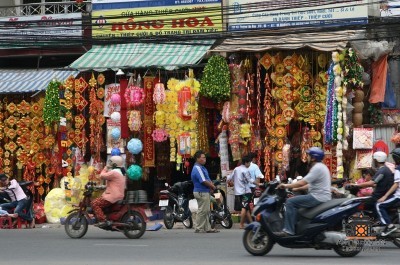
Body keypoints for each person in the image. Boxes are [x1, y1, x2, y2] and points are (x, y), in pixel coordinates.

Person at [275, 147, 332, 237]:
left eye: (309, 156)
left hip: (317, 197)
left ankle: (288, 231)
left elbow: (303, 182)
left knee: (290, 202)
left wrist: (286, 185)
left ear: (313, 158)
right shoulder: (322, 167)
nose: (307, 157)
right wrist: (297, 189)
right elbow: (311, 184)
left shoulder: (317, 168)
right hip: (321, 196)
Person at [92, 156, 126, 227]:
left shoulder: (114, 173)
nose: (109, 164)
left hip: (112, 196)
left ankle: (103, 221)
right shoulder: (121, 172)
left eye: (111, 163)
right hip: (118, 195)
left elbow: (101, 176)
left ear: (114, 164)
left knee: (95, 203)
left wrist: (106, 168)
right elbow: (114, 184)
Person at [191, 150, 218, 233]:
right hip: (201, 191)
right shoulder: (197, 168)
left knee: (206, 210)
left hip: (203, 191)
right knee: (203, 210)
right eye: (203, 157)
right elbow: (203, 180)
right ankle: (198, 227)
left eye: (205, 157)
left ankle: (207, 228)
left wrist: (210, 187)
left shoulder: (202, 168)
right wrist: (212, 186)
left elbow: (207, 179)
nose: (205, 159)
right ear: (198, 159)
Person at [376, 148, 400, 236]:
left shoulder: (398, 169)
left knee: (379, 205)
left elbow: (396, 184)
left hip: (398, 196)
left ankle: (390, 226)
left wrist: (385, 196)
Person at [227, 155, 254, 229]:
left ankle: (252, 223)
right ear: (246, 163)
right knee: (244, 208)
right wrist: (258, 183)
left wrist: (228, 180)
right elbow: (250, 180)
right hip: (246, 192)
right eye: (249, 163)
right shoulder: (246, 170)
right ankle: (241, 224)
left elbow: (229, 177)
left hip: (238, 192)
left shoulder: (236, 169)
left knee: (247, 208)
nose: (249, 165)